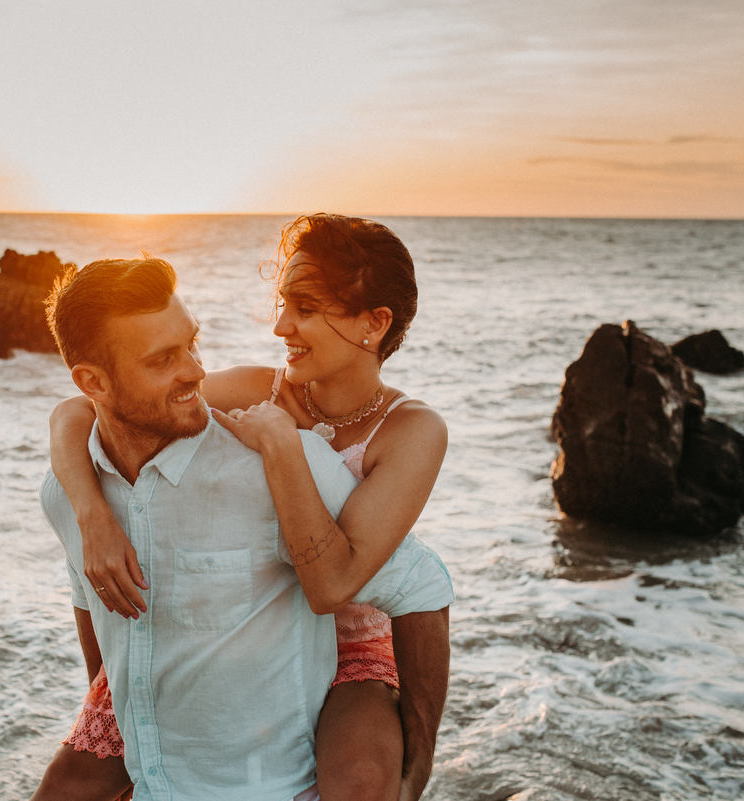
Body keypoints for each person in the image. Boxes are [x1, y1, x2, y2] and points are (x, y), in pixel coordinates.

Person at [45, 214, 449, 800]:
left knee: (366, 787)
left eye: (307, 308)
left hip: (350, 641)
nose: (282, 324)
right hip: (245, 635)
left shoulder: (412, 430)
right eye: (283, 302)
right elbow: (79, 410)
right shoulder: (254, 390)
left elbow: (338, 585)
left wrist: (282, 443)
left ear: (374, 322)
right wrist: (91, 516)